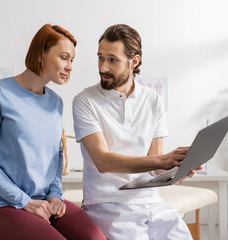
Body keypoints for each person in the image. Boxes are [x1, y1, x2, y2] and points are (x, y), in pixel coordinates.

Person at [0, 24, 105, 240]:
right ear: (41, 53)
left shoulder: (55, 102)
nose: (69, 66)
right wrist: (24, 201)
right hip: (1, 206)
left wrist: (55, 195)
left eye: (72, 60)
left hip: (46, 202)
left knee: (96, 238)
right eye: (64, 57)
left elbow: (56, 155)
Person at [73, 24, 198, 240]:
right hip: (107, 204)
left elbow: (155, 167)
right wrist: (162, 160)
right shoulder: (85, 101)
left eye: (112, 60)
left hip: (152, 202)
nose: (103, 67)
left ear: (134, 61)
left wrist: (176, 171)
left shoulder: (153, 100)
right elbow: (103, 162)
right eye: (100, 58)